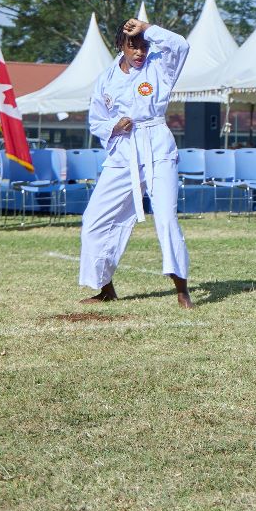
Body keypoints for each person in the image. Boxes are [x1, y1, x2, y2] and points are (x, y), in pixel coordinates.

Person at [78, 18, 193, 308]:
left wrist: (146, 28)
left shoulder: (160, 67)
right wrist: (115, 125)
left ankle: (182, 290)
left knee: (166, 218)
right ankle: (105, 288)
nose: (140, 52)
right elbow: (96, 121)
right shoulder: (106, 79)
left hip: (157, 146)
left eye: (143, 46)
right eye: (133, 46)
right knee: (94, 219)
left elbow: (181, 45)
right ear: (121, 46)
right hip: (123, 151)